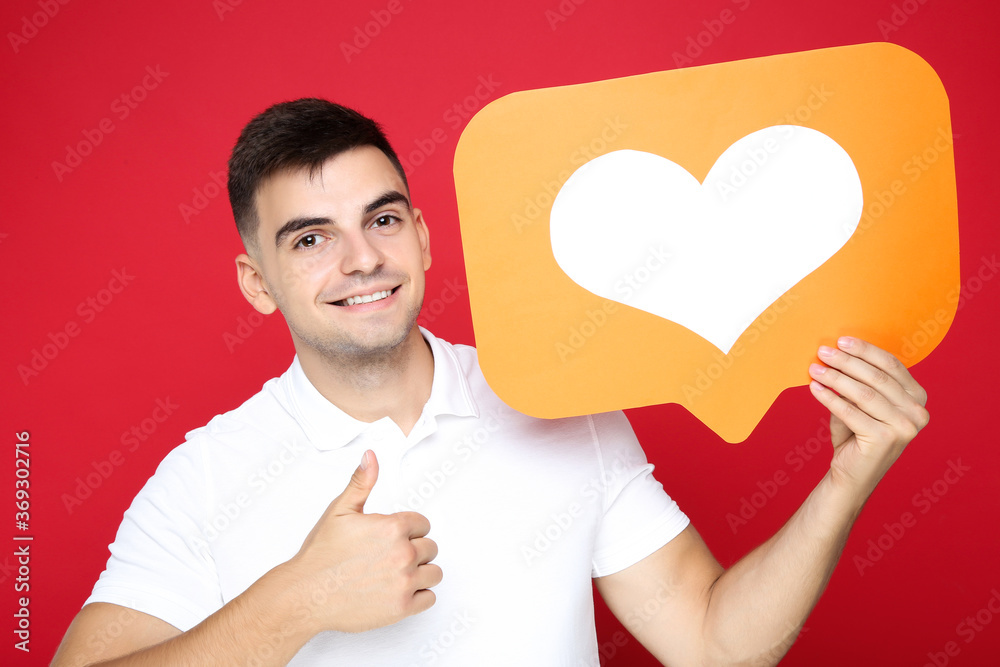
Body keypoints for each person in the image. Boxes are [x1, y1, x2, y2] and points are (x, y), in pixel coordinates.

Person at [52, 98, 929, 666]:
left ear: (424, 238)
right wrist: (298, 599)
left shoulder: (556, 406)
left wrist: (842, 486)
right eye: (311, 238)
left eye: (383, 219)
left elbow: (712, 641)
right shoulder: (203, 473)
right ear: (256, 281)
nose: (363, 259)